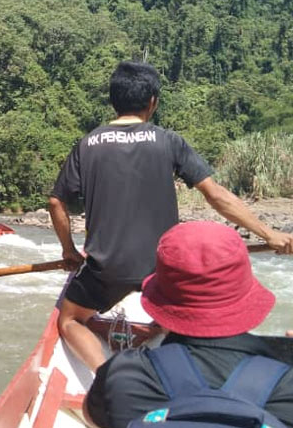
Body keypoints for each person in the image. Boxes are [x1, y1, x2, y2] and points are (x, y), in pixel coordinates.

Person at [49, 61, 293, 370]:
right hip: (163, 270)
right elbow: (216, 195)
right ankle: (170, 349)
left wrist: (69, 251)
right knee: (183, 315)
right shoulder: (168, 140)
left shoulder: (87, 144)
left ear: (113, 100)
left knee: (70, 319)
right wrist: (270, 235)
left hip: (106, 270)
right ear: (153, 102)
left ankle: (105, 377)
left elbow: (56, 203)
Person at [83, 221, 293, 428]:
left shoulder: (125, 374)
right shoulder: (286, 385)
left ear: (162, 304)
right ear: (246, 297)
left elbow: (91, 417)